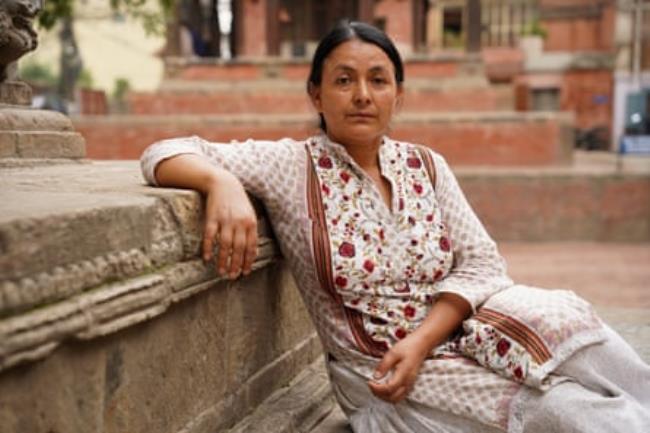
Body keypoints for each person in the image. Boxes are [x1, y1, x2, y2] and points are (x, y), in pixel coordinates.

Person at [140, 21, 650, 433]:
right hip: (383, 367)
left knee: (575, 331)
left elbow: (482, 262)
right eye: (344, 80)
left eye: (377, 80)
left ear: (397, 95)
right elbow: (162, 151)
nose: (362, 95)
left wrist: (426, 337)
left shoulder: (427, 165)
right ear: (316, 95)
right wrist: (221, 184)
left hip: (456, 329)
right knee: (566, 411)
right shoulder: (289, 166)